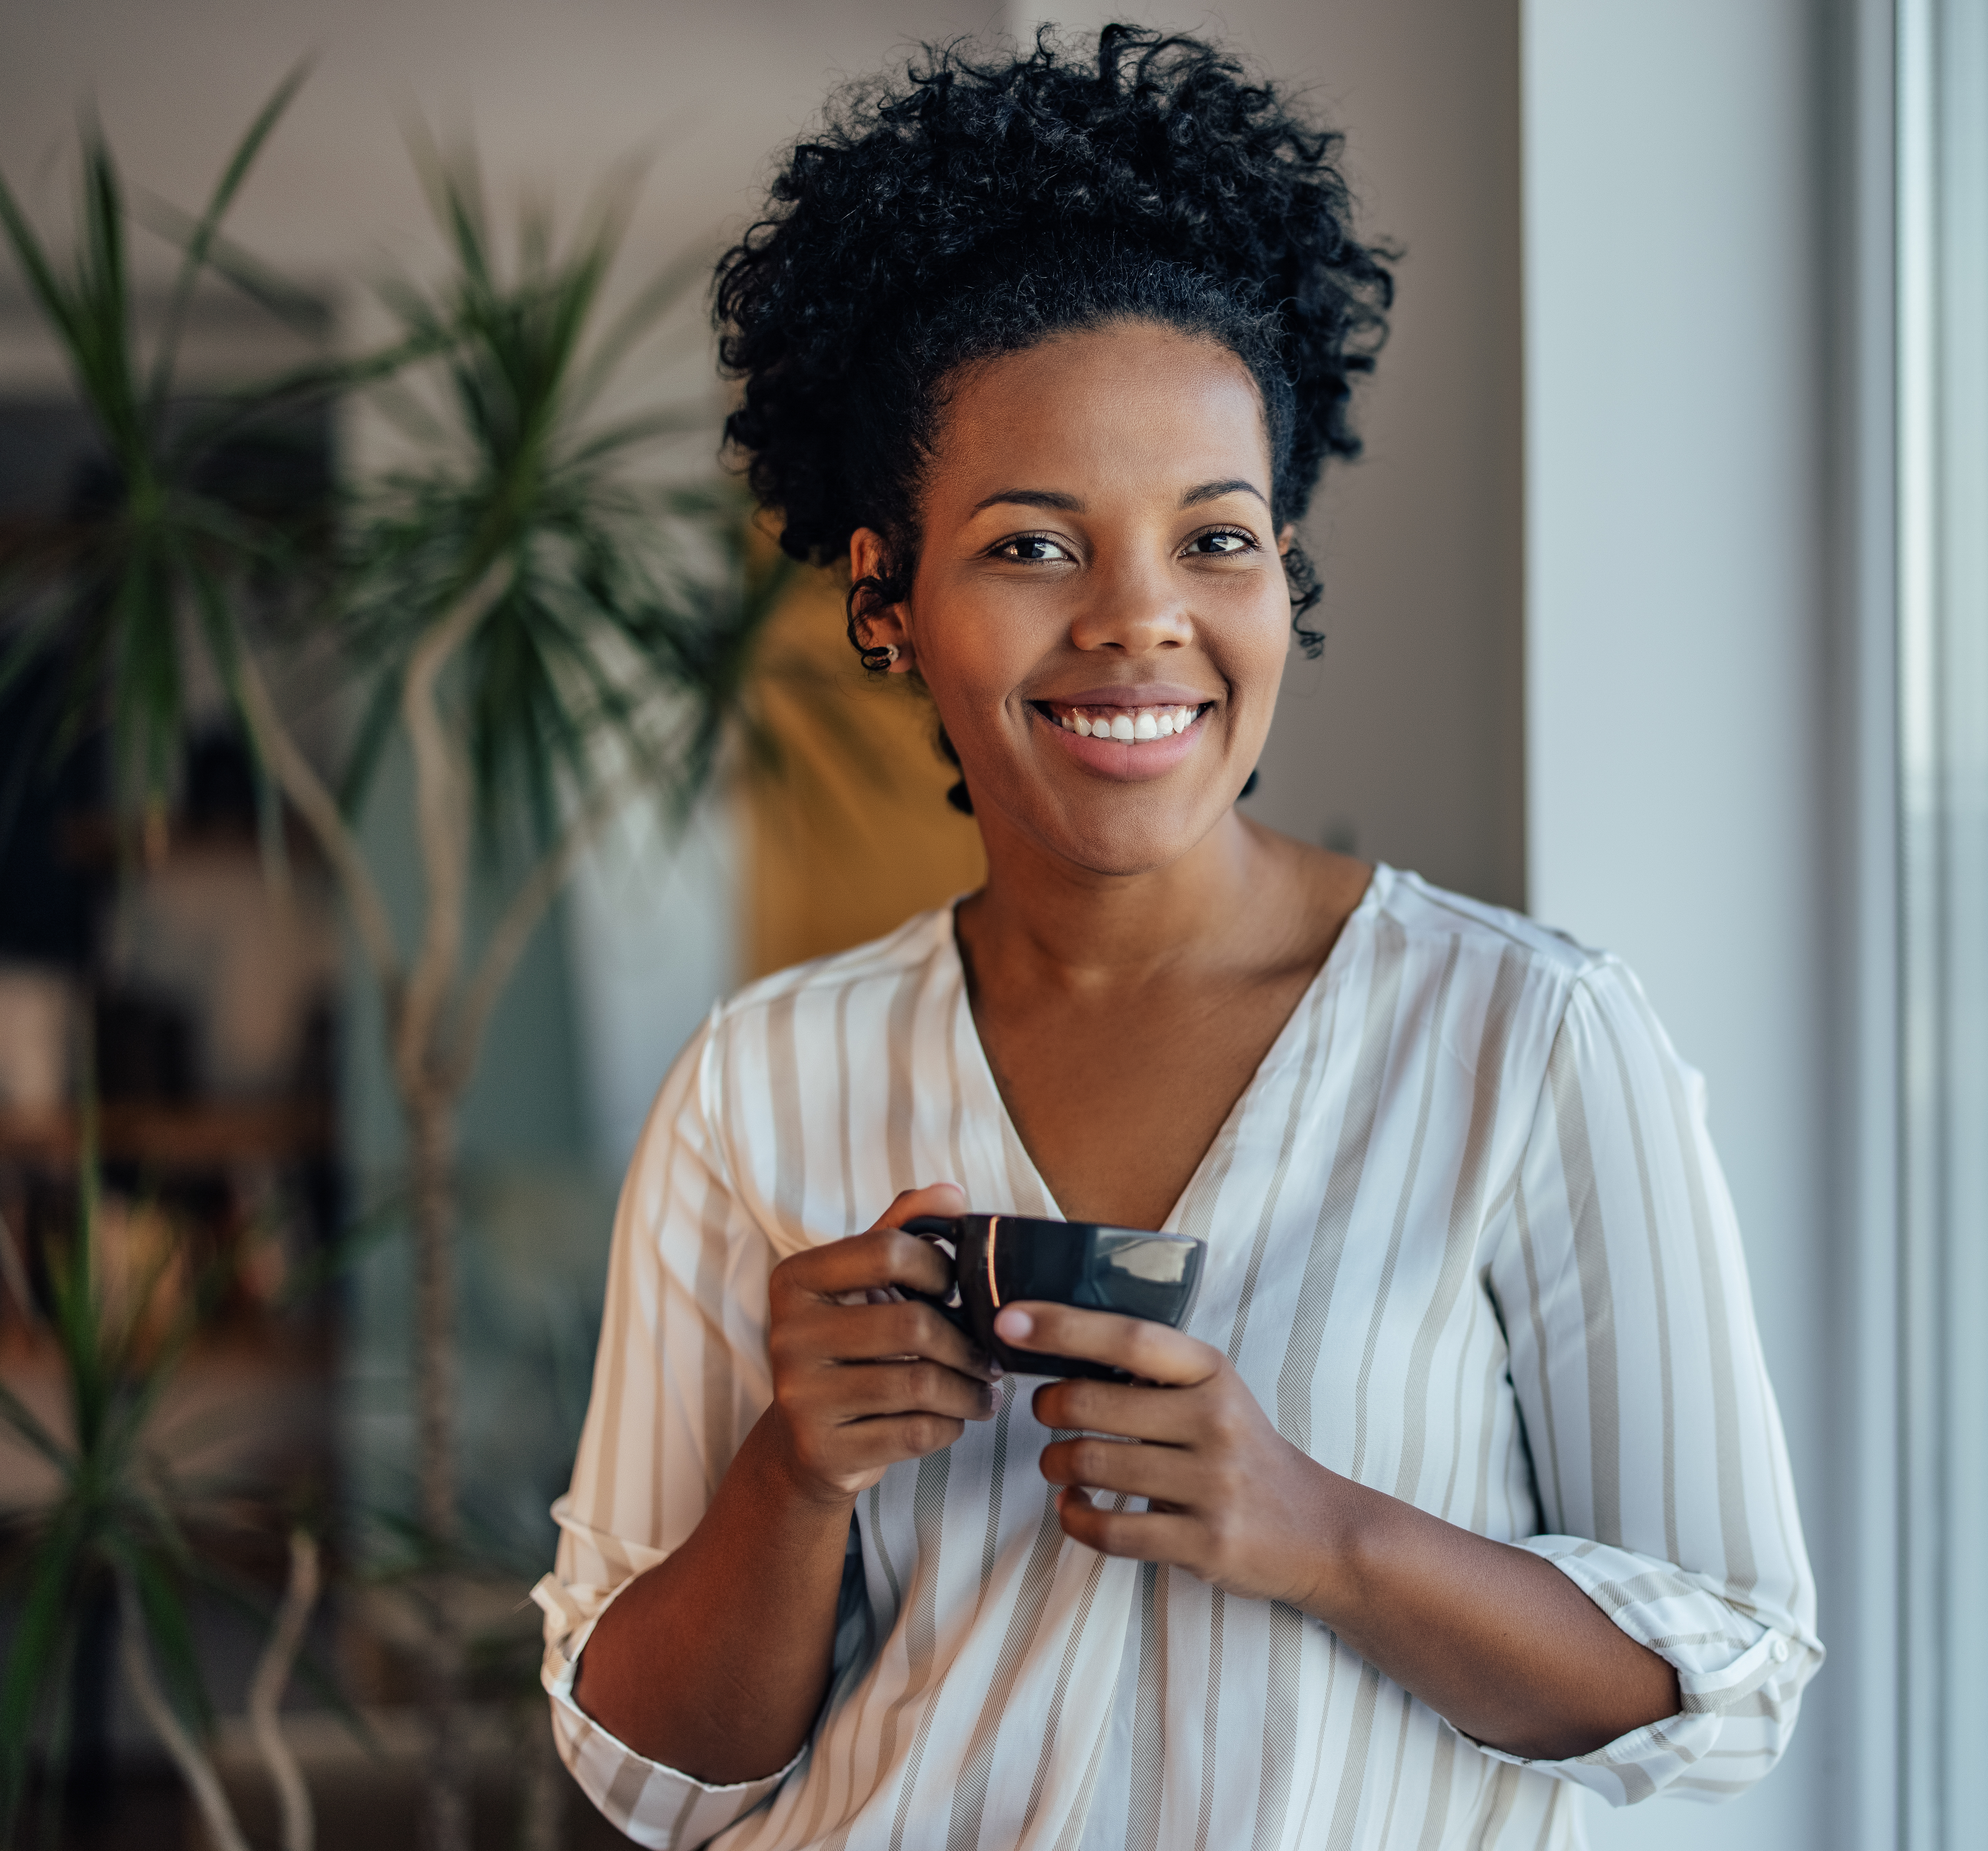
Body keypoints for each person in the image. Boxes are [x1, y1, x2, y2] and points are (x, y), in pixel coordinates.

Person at [531, 28, 1820, 1850]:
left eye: (1215, 539)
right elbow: (655, 1770)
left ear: (1282, 569)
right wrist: (788, 1475)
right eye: (1036, 545)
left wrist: (1321, 1530)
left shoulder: (1527, 1039)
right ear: (889, 597)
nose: (1143, 623)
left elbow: (1726, 1681)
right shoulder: (763, 1083)